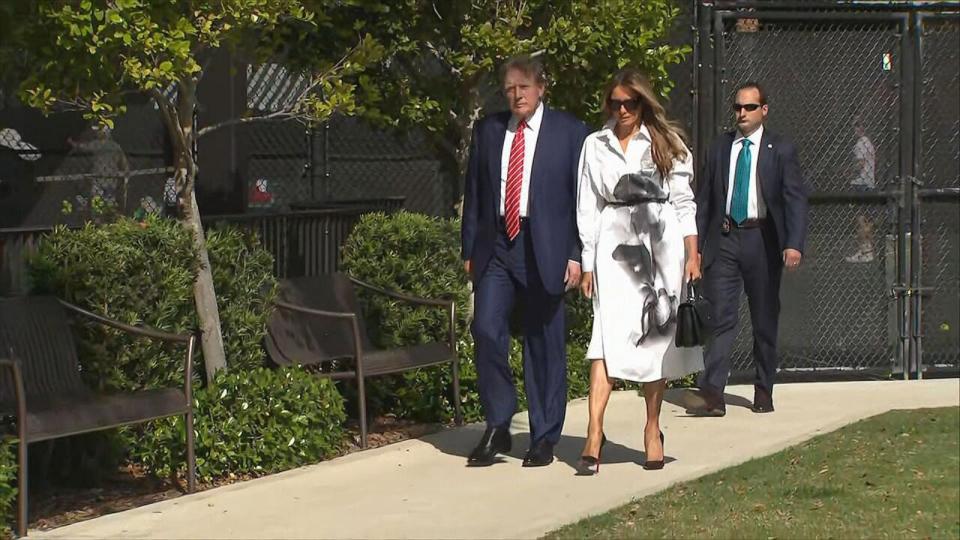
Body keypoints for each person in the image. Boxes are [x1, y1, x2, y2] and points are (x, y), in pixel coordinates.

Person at [461, 55, 589, 467]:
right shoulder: (489, 130)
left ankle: (544, 435)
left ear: (541, 88)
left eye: (524, 87)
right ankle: (499, 425)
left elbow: (581, 200)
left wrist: (576, 254)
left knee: (544, 341)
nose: (517, 95)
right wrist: (469, 251)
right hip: (497, 244)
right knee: (485, 327)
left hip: (545, 245)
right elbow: (476, 194)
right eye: (510, 88)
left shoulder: (569, 133)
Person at [575, 68, 703, 474]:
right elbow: (588, 205)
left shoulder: (666, 142)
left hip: (661, 244)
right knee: (606, 334)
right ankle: (594, 431)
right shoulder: (595, 145)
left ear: (643, 103)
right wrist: (588, 260)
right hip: (614, 244)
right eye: (616, 102)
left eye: (630, 102)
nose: (623, 109)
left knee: (654, 339)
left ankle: (652, 427)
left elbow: (684, 203)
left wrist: (693, 254)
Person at [693, 81, 809, 416]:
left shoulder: (780, 149)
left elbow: (794, 199)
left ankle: (763, 387)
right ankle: (714, 389)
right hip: (726, 238)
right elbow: (705, 201)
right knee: (721, 316)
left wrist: (793, 244)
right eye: (738, 108)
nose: (742, 114)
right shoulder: (719, 148)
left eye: (749, 107)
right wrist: (697, 246)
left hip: (763, 240)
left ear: (764, 110)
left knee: (764, 318)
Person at [845, 120, 877, 263]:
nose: (855, 129)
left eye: (857, 126)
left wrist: (847, 171)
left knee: (860, 219)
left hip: (861, 184)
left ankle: (866, 251)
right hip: (868, 184)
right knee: (865, 219)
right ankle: (866, 250)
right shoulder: (869, 143)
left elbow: (860, 164)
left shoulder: (860, 144)